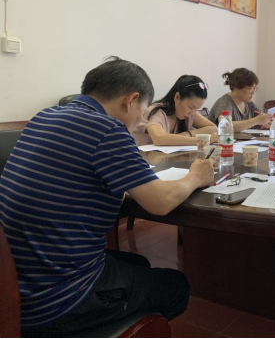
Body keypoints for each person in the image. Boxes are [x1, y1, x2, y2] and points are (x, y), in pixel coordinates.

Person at [0, 57, 215, 337]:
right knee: (176, 286)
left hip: (16, 282)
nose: (139, 121)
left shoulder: (45, 116)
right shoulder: (107, 129)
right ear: (131, 100)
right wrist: (196, 176)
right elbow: (160, 202)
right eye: (142, 111)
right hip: (59, 299)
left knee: (137, 263)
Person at [133, 75, 218, 146]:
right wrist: (204, 140)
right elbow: (159, 139)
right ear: (177, 97)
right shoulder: (156, 111)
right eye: (191, 107)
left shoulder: (190, 113)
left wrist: (188, 134)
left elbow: (213, 128)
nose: (192, 113)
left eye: (197, 109)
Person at [208, 68, 273, 132]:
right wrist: (256, 120)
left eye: (255, 88)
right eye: (250, 88)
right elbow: (226, 125)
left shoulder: (249, 103)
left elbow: (260, 118)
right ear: (237, 87)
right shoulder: (225, 103)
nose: (253, 92)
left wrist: (266, 122)